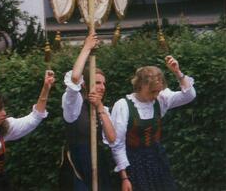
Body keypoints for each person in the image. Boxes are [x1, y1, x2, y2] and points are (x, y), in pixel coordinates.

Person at [110, 55, 196, 191]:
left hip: (157, 159)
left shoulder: (161, 99)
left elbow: (189, 95)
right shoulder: (123, 106)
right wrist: (124, 177)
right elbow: (117, 144)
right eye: (152, 91)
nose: (156, 94)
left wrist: (177, 73)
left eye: (158, 90)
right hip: (132, 163)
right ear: (140, 85)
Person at [61, 33, 116, 191]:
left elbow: (112, 138)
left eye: (103, 83)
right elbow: (75, 78)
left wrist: (99, 107)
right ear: (86, 84)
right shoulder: (73, 103)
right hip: (78, 162)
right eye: (97, 82)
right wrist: (86, 47)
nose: (102, 87)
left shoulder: (102, 109)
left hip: (97, 161)